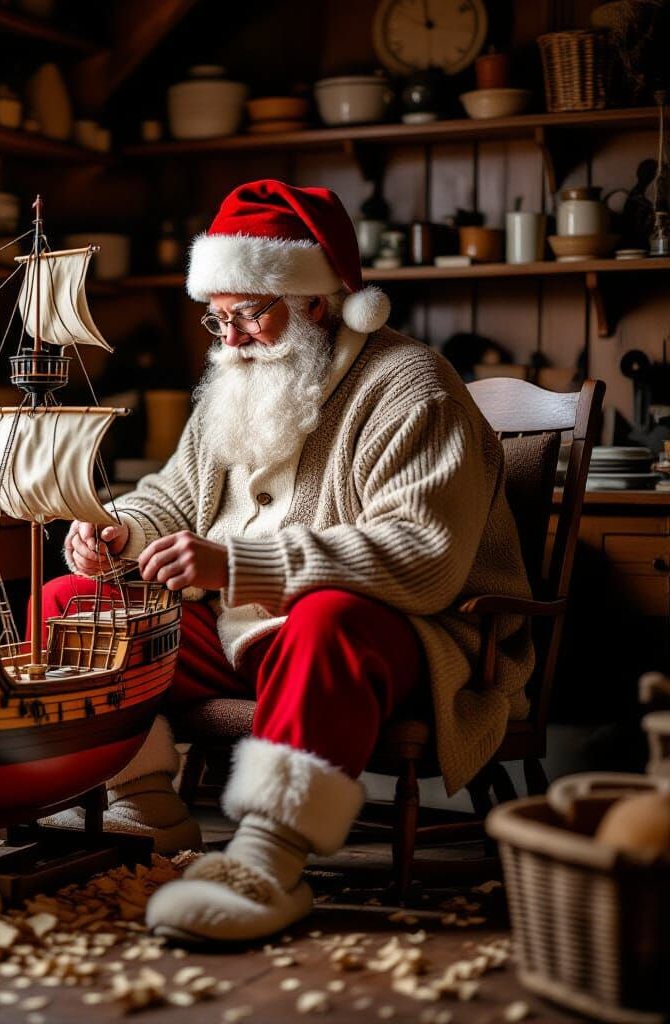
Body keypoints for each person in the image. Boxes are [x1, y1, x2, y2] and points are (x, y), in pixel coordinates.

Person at [46, 179, 534, 943]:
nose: (230, 338)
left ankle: (266, 863)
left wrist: (235, 563)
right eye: (218, 316)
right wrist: (121, 534)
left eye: (249, 313)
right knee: (73, 599)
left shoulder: (411, 386)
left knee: (325, 619)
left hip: (403, 639)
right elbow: (170, 499)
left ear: (314, 300)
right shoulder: (230, 387)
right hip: (243, 636)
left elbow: (425, 558)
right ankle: (149, 806)